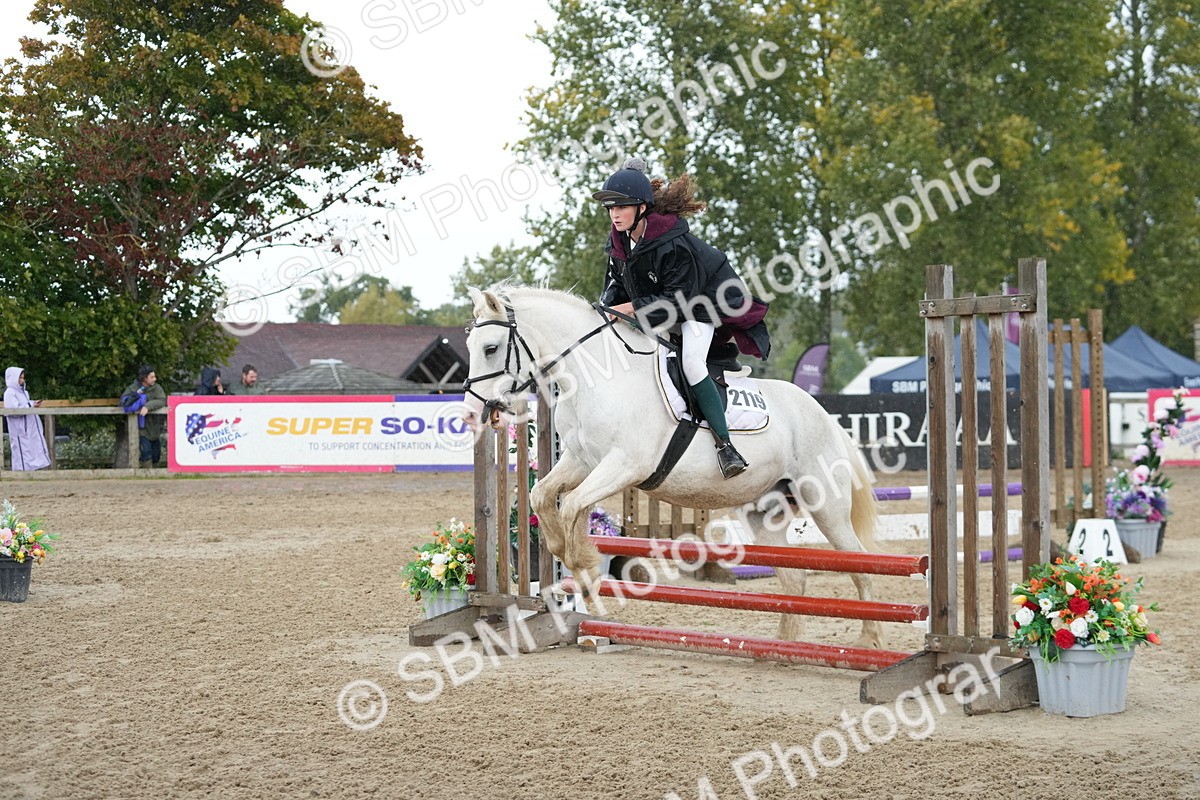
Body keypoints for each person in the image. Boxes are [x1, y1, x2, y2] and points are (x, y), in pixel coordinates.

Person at [594, 157, 770, 479]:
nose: (614, 215)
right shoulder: (619, 240)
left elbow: (681, 300)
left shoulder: (672, 243)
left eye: (621, 207)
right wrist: (603, 309)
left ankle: (725, 447)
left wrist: (631, 308)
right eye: (610, 208)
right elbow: (616, 286)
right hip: (666, 305)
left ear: (642, 209)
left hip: (703, 304)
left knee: (691, 362)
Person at [3, 367, 51, 471]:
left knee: (33, 448)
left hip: (29, 426)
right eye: (19, 378)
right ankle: (21, 472)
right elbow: (14, 410)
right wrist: (30, 404)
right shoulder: (9, 393)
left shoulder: (24, 392)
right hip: (19, 428)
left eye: (22, 378)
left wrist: (33, 403)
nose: (21, 380)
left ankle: (34, 470)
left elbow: (25, 404)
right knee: (21, 450)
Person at [121, 365, 167, 468]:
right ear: (144, 378)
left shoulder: (157, 388)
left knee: (156, 455)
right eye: (152, 377)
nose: (155, 379)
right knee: (146, 452)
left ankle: (153, 474)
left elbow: (162, 400)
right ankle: (147, 474)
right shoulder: (133, 388)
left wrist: (148, 406)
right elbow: (124, 401)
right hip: (140, 427)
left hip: (155, 427)